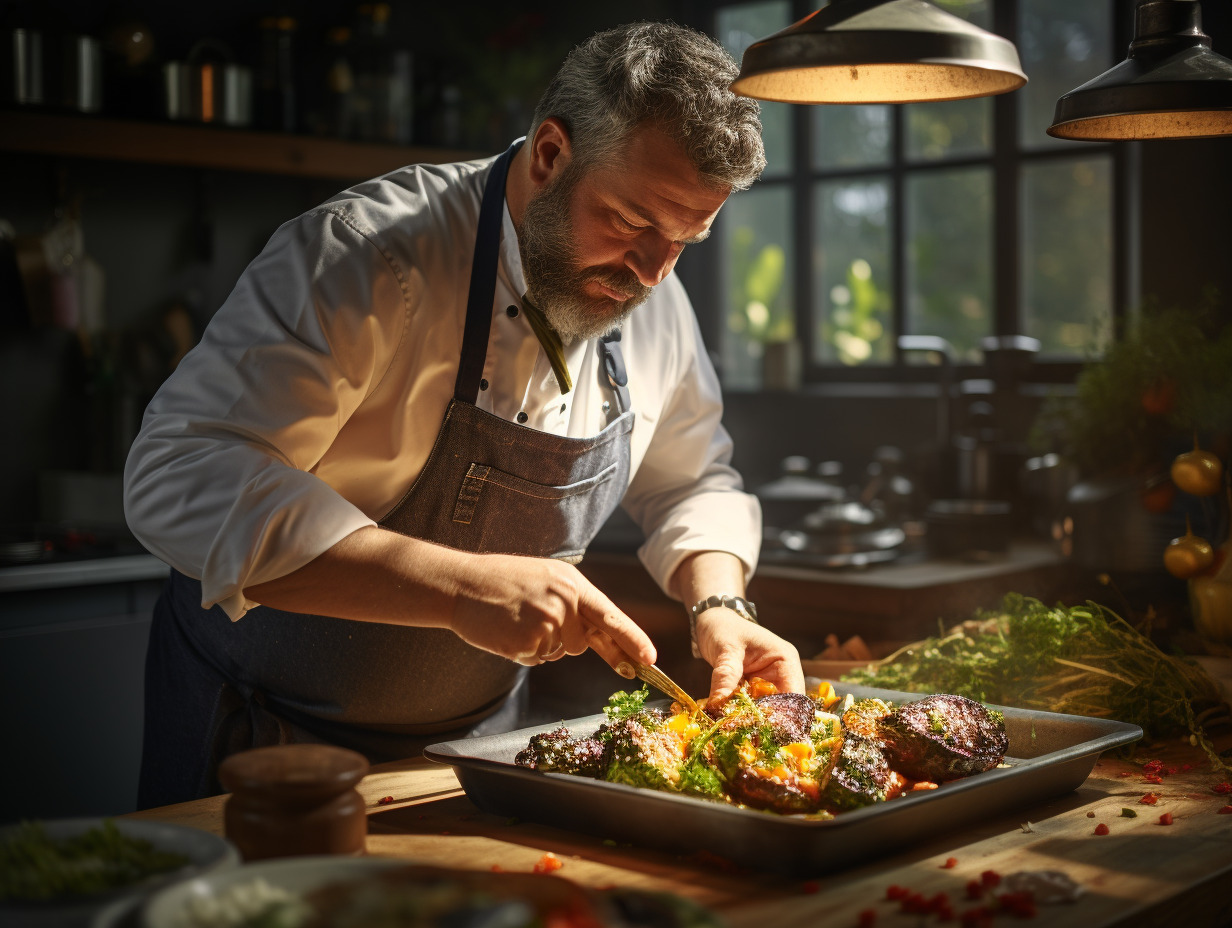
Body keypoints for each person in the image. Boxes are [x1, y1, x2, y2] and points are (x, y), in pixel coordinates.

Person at [124, 20, 804, 808]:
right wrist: (459, 588)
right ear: (551, 154)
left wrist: (719, 605)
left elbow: (692, 481)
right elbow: (180, 474)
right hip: (264, 743)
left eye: (686, 240)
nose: (653, 272)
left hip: (473, 755)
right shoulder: (369, 257)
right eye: (632, 222)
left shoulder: (652, 298)